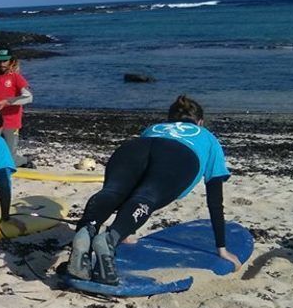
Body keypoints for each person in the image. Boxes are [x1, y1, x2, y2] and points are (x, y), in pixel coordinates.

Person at [65, 95, 241, 285]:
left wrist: (128, 230)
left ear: (169, 120)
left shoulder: (154, 129)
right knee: (147, 197)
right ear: (200, 122)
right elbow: (215, 201)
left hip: (132, 148)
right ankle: (110, 238)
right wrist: (221, 248)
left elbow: (134, 183)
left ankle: (86, 230)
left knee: (112, 192)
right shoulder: (207, 137)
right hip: (180, 156)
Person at [0, 47, 32, 165]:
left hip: (11, 122)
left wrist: (8, 102)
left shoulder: (16, 77)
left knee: (10, 160)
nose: (2, 63)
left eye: (5, 60)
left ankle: (27, 160)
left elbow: (29, 97)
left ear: (11, 61)